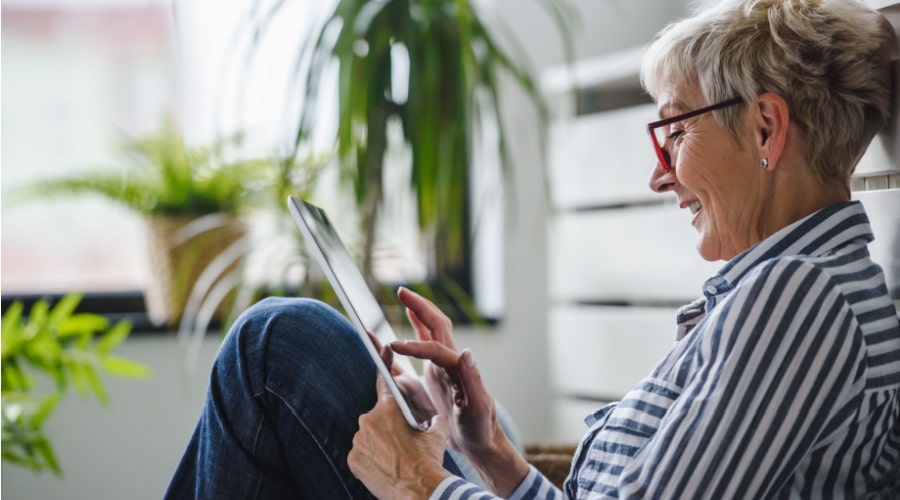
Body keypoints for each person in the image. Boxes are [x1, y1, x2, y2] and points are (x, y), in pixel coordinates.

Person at [165, 0, 900, 497]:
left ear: (767, 130)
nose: (657, 172)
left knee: (275, 346)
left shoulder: (803, 299)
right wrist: (491, 455)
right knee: (280, 344)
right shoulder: (787, 291)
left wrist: (424, 486)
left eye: (674, 131)